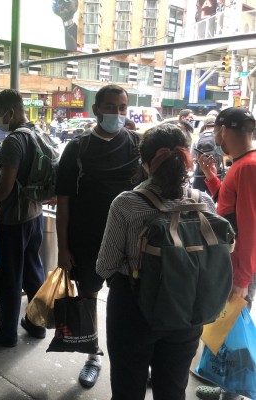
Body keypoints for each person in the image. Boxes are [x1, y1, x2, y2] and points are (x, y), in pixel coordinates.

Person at [96, 125, 216, 400]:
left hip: (134, 307)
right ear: (188, 159)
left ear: (145, 162)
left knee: (128, 388)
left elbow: (105, 265)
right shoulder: (204, 202)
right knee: (173, 389)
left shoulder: (127, 203)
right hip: (187, 307)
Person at [56, 84, 140, 387]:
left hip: (130, 243)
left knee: (130, 302)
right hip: (87, 239)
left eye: (122, 107)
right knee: (88, 298)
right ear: (96, 109)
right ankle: (93, 355)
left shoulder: (137, 145)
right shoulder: (77, 149)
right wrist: (62, 248)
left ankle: (133, 357)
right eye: (110, 107)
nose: (117, 113)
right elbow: (63, 202)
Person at [195, 107, 256, 400]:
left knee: (233, 328)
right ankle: (226, 388)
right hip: (234, 264)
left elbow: (249, 226)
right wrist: (212, 178)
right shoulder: (243, 164)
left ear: (223, 130)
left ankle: (231, 393)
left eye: (215, 130)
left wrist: (242, 279)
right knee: (226, 328)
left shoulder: (248, 167)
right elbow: (229, 209)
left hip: (239, 267)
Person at [0, 89, 46, 347]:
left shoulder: (14, 141)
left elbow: (5, 186)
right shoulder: (38, 132)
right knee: (33, 272)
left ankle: (7, 333)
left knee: (10, 278)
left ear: (9, 112)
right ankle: (36, 324)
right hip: (35, 215)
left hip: (14, 219)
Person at [191, 116, 224, 194]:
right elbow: (223, 154)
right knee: (214, 197)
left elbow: (192, 156)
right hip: (215, 173)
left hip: (200, 173)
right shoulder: (218, 137)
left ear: (205, 125)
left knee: (198, 199)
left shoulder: (198, 137)